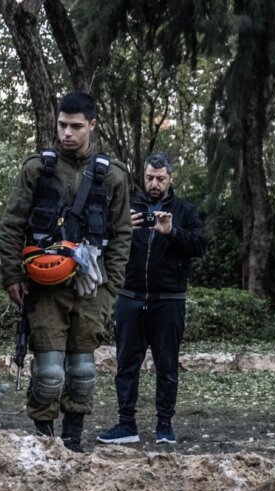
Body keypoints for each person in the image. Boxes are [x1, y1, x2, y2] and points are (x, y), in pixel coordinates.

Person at [0, 90, 131, 452]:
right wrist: (12, 275)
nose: (67, 133)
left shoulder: (114, 176)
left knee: (82, 371)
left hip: (92, 288)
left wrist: (110, 288)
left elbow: (121, 236)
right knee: (50, 372)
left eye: (76, 126)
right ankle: (44, 442)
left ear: (92, 125)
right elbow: (12, 224)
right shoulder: (37, 169)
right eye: (62, 125)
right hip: (44, 288)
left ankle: (73, 443)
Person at [97, 153, 205, 446]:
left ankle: (164, 426)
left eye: (160, 178)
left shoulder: (184, 210)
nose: (154, 183)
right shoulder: (127, 207)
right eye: (149, 177)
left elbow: (199, 244)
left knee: (167, 366)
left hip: (168, 299)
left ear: (171, 178)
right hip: (129, 297)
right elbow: (101, 240)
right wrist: (124, 230)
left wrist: (171, 232)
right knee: (126, 365)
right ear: (142, 177)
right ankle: (126, 424)